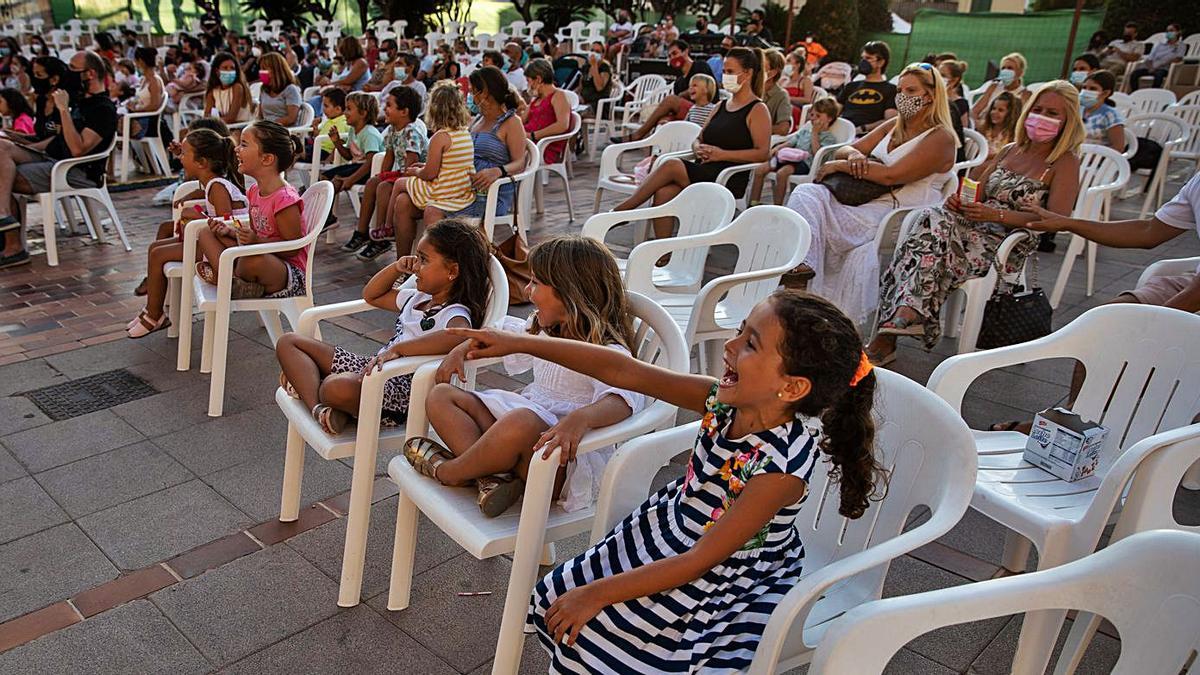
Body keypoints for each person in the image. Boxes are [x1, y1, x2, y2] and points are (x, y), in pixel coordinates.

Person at [445, 291, 880, 670]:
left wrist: (597, 594)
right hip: (671, 528)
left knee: (612, 637)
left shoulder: (778, 468)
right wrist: (522, 343)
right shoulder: (724, 402)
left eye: (749, 344)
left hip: (721, 570)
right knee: (558, 594)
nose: (729, 345)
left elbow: (700, 561)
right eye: (739, 331)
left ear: (792, 387)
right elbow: (624, 372)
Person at [404, 236, 645, 517]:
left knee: (520, 421)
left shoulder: (605, 351)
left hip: (558, 459)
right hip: (522, 438)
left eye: (535, 283)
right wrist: (463, 347)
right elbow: (503, 335)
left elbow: (623, 399)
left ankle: (451, 472)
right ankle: (489, 479)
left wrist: (581, 419)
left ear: (570, 293)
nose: (528, 291)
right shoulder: (543, 328)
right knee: (441, 396)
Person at [868, 81, 1083, 365]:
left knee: (929, 241)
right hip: (970, 225)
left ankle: (896, 327)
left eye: (1052, 113)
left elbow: (1055, 222)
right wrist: (959, 201)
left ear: (1068, 121)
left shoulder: (1064, 163)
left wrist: (998, 216)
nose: (1042, 117)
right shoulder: (1011, 150)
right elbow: (977, 187)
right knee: (930, 217)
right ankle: (908, 313)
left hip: (1006, 241)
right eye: (1038, 109)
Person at [985, 172, 1200, 434]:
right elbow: (1149, 232)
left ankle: (1168, 451)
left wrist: (1150, 330)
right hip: (1193, 281)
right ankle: (1075, 422)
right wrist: (1067, 223)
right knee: (1108, 321)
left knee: (1145, 341)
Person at [277, 219, 492, 433]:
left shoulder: (454, 312)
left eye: (424, 260)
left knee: (334, 386)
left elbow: (459, 336)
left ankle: (312, 387)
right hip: (373, 370)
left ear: (452, 271)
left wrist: (399, 349)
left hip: (402, 394)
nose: (416, 266)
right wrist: (397, 267)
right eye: (416, 258)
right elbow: (372, 295)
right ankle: (321, 410)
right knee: (289, 342)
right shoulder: (418, 298)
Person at [785, 62, 958, 325]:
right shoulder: (893, 126)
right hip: (864, 198)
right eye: (899, 90)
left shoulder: (941, 138)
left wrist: (841, 165)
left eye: (911, 90)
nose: (902, 96)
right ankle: (801, 268)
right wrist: (853, 155)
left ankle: (807, 291)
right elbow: (850, 148)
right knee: (807, 192)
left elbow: (893, 175)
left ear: (931, 95)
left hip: (900, 212)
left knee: (824, 214)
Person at [614, 47, 772, 241]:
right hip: (704, 169)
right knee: (663, 193)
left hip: (728, 176)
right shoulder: (721, 105)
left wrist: (722, 155)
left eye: (730, 72)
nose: (725, 76)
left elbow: (763, 153)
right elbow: (700, 137)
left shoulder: (757, 109)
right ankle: (665, 257)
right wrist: (697, 147)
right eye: (724, 71)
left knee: (671, 164)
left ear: (747, 73)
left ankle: (625, 209)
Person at [0, 50, 117, 268]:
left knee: (2, 178)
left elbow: (77, 149)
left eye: (73, 68)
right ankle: (5, 220)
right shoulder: (81, 100)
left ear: (89, 73)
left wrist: (63, 109)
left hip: (75, 170)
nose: (67, 72)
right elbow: (57, 138)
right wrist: (22, 143)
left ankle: (13, 245)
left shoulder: (103, 108)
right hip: (53, 158)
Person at [127, 128, 246, 336]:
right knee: (155, 247)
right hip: (216, 244)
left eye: (184, 154)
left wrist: (196, 216)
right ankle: (151, 308)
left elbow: (227, 226)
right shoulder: (211, 184)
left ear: (201, 162)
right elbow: (204, 190)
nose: (180, 159)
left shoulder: (218, 187)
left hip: (228, 250)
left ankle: (155, 315)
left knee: (158, 253)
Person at [194, 120, 307, 299]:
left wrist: (256, 242)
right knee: (206, 233)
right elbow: (256, 233)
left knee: (252, 259)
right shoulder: (254, 191)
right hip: (259, 254)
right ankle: (232, 281)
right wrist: (231, 233)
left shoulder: (285, 200)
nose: (237, 149)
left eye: (244, 144)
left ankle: (225, 278)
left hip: (287, 274)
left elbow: (293, 248)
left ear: (267, 159)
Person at [388, 81, 476, 257]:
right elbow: (447, 165)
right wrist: (424, 167)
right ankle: (405, 260)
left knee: (400, 183)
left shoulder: (440, 137)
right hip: (459, 189)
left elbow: (430, 174)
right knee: (403, 200)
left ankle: (387, 227)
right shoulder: (464, 133)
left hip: (442, 190)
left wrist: (416, 171)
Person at [344, 86, 428, 259]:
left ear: (404, 111)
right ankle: (363, 231)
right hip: (402, 173)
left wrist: (387, 180)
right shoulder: (391, 129)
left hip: (417, 177)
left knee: (383, 187)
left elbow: (411, 166)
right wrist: (382, 175)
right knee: (374, 182)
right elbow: (388, 157)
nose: (385, 110)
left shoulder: (412, 132)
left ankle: (383, 231)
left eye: (389, 105)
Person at [450, 65, 528, 222]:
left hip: (491, 193)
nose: (471, 95)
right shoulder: (477, 120)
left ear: (487, 92)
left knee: (433, 211)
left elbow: (520, 162)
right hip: (464, 189)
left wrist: (498, 171)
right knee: (407, 201)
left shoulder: (511, 122)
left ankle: (442, 246)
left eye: (474, 91)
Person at [610, 39, 715, 143]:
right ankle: (652, 152)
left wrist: (681, 95)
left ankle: (638, 135)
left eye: (675, 53)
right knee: (662, 121)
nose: (673, 58)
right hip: (688, 114)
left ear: (685, 51)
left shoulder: (700, 66)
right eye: (670, 56)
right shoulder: (679, 81)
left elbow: (705, 90)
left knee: (670, 100)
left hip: (705, 110)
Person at [748, 96, 841, 206]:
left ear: (829, 119)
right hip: (788, 158)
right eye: (812, 115)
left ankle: (778, 206)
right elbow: (791, 142)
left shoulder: (829, 138)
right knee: (760, 170)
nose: (813, 118)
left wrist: (815, 133)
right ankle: (753, 203)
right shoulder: (805, 131)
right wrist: (776, 148)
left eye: (818, 116)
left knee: (781, 174)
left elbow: (817, 153)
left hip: (806, 163)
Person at [322, 92, 383, 220]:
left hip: (370, 171)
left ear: (363, 113)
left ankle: (326, 218)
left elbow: (371, 162)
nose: (345, 112)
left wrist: (351, 179)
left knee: (337, 180)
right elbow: (349, 156)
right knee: (324, 177)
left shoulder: (369, 133)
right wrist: (337, 142)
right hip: (357, 166)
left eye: (349, 109)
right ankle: (324, 216)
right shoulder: (353, 130)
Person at [839, 41, 897, 133]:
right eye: (862, 58)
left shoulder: (891, 90)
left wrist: (864, 128)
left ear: (881, 62)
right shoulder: (851, 86)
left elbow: (890, 121)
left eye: (868, 58)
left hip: (867, 135)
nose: (863, 62)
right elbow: (832, 112)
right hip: (842, 131)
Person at [523, 59, 571, 164]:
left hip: (543, 145)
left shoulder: (558, 95)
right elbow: (521, 120)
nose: (528, 85)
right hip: (528, 141)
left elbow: (562, 125)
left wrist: (533, 135)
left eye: (528, 80)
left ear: (538, 79)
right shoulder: (536, 99)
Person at [307, 36, 369, 116]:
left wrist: (331, 84)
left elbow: (348, 80)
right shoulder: (349, 63)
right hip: (344, 91)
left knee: (326, 100)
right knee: (316, 99)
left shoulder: (361, 63)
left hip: (355, 95)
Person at [971, 52, 1031, 124]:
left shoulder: (1024, 95)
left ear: (1020, 72)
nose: (1005, 71)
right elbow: (975, 111)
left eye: (1010, 68)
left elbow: (1020, 121)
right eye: (1003, 68)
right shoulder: (993, 87)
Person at [122, 47, 164, 140]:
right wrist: (132, 103)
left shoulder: (154, 81)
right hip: (139, 117)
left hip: (147, 121)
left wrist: (136, 111)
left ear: (140, 61)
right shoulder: (143, 79)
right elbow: (140, 98)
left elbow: (155, 105)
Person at [1129, 23, 1186, 90]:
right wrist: (1151, 67)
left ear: (1178, 32)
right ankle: (1135, 93)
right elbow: (1150, 58)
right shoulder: (1160, 45)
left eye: (1171, 30)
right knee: (1134, 74)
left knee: (1158, 76)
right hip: (1152, 67)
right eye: (1167, 31)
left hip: (1165, 68)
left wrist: (1160, 65)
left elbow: (1178, 58)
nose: (1168, 33)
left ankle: (1154, 94)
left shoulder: (1181, 45)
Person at [1080, 71, 1126, 152]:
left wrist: (1094, 158)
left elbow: (1118, 147)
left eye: (1093, 88)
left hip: (1096, 160)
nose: (1086, 91)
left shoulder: (1110, 115)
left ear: (1105, 93)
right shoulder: (1078, 110)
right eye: (1084, 87)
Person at [204, 52, 252, 125]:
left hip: (238, 127)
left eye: (232, 68)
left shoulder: (237, 87)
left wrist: (212, 123)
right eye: (225, 68)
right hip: (220, 126)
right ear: (217, 71)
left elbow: (231, 118)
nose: (229, 71)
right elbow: (207, 116)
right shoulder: (213, 91)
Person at [256, 52, 301, 127]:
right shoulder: (264, 89)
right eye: (260, 68)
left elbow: (291, 118)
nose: (261, 71)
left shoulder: (290, 89)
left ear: (276, 69)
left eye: (264, 68)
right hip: (266, 129)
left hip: (282, 130)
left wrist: (269, 125)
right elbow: (260, 115)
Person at [976, 91, 1020, 168]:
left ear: (1011, 114)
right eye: (993, 108)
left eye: (1001, 110)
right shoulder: (983, 128)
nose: (994, 112)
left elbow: (1007, 156)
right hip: (977, 162)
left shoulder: (1012, 135)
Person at [308, 88, 349, 160]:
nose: (323, 109)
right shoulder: (329, 120)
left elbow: (339, 143)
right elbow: (319, 137)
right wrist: (315, 128)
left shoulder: (342, 122)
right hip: (318, 148)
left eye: (326, 106)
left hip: (325, 152)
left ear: (338, 109)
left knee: (299, 151)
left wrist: (329, 159)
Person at [762, 50, 794, 135]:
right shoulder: (750, 88)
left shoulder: (781, 95)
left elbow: (783, 129)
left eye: (761, 67)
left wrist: (756, 128)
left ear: (772, 73)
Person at [577, 41, 613, 113]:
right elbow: (580, 87)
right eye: (592, 50)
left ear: (602, 55)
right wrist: (577, 95)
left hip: (598, 105)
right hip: (584, 102)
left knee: (578, 114)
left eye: (597, 51)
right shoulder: (586, 67)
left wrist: (594, 66)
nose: (593, 53)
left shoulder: (604, 68)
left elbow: (599, 87)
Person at [781, 48, 815, 114]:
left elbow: (807, 100)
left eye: (788, 61)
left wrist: (788, 98)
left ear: (798, 65)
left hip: (795, 110)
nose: (785, 64)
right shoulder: (783, 80)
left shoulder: (805, 80)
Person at [939, 59, 970, 128]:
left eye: (943, 75)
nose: (938, 78)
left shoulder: (961, 104)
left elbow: (964, 130)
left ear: (954, 80)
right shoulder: (930, 97)